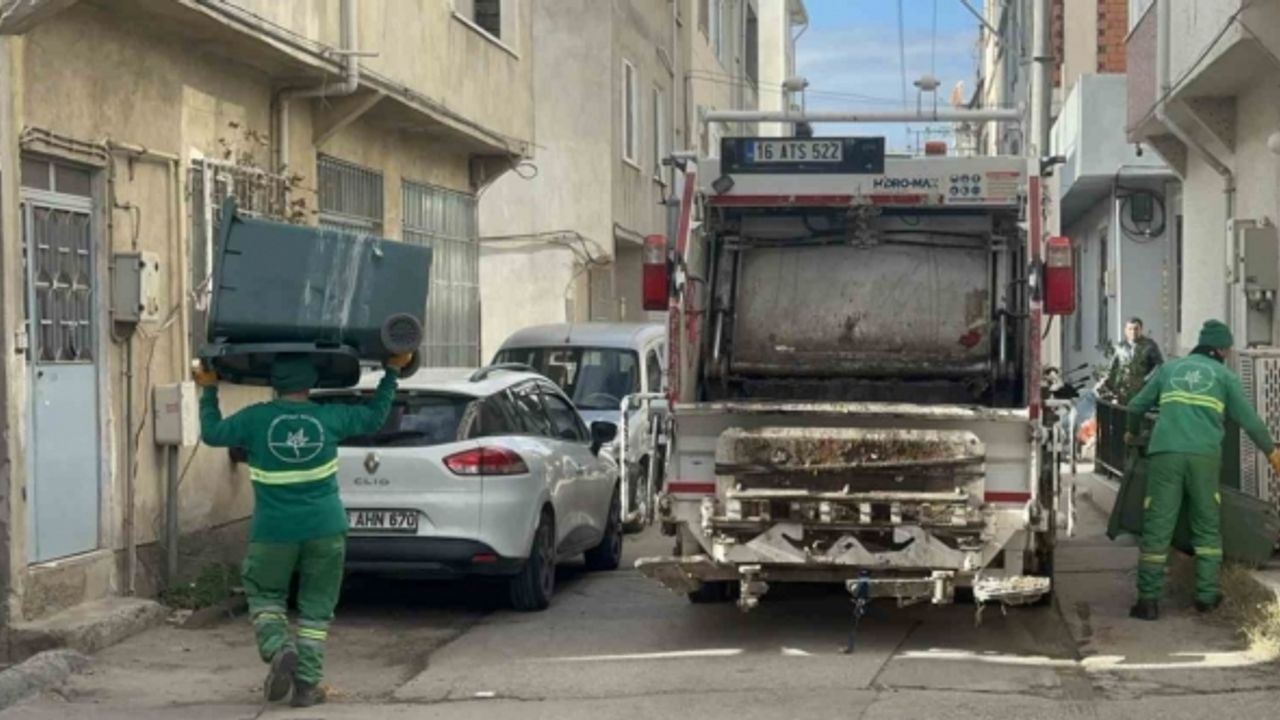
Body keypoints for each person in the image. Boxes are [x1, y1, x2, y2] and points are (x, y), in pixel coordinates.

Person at [194, 352, 412, 706]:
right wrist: (391, 371)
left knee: (265, 594)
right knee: (316, 608)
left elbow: (213, 433)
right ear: (309, 383)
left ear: (274, 384)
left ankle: (279, 646)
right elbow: (376, 417)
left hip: (274, 530)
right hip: (326, 528)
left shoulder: (255, 419)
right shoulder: (329, 418)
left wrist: (208, 389)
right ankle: (307, 685)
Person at [1124, 320, 1280, 621]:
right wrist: (1272, 454)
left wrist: (1132, 435)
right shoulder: (1225, 377)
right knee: (1207, 526)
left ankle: (1148, 602)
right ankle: (1207, 598)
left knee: (1158, 526)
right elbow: (1251, 422)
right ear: (1221, 349)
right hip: (1203, 458)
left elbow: (1134, 407)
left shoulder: (1169, 370)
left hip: (1165, 455)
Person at [1105, 317, 1164, 403]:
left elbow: (1159, 365)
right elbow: (1113, 369)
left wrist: (1145, 380)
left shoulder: (1149, 346)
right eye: (1130, 329)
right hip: (1124, 390)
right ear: (1125, 330)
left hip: (1143, 389)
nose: (1133, 332)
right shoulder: (1120, 348)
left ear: (1141, 330)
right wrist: (1110, 387)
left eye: (1136, 329)